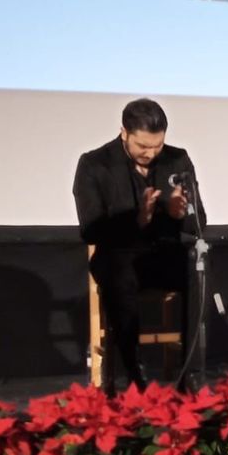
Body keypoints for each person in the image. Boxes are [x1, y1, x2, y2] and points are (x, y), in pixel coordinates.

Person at [73, 98, 206, 389]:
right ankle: (129, 376)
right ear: (124, 133)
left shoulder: (177, 159)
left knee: (197, 267)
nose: (151, 153)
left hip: (162, 256)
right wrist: (139, 220)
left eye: (157, 145)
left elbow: (200, 223)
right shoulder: (95, 164)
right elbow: (91, 229)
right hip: (118, 257)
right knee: (121, 271)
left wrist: (178, 215)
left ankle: (191, 374)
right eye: (143, 146)